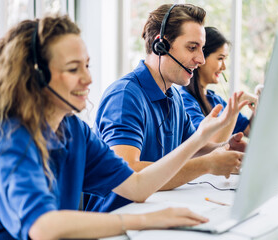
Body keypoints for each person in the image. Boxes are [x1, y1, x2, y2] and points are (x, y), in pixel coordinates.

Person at [0, 15, 242, 240]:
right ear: (36, 77)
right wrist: (145, 220)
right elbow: (43, 226)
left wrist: (198, 139)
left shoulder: (74, 130)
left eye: (87, 65)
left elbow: (136, 187)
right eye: (73, 69)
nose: (88, 79)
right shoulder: (12, 138)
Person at [84, 4, 249, 213]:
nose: (201, 59)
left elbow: (193, 149)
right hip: (117, 220)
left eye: (201, 48)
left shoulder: (175, 97)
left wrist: (224, 148)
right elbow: (128, 171)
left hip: (156, 213)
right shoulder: (125, 96)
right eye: (192, 48)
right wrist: (208, 164)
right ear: (159, 46)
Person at [179, 26, 259, 142]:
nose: (224, 67)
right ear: (201, 58)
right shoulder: (185, 101)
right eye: (220, 58)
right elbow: (206, 143)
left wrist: (259, 102)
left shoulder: (216, 100)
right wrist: (235, 108)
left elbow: (250, 130)